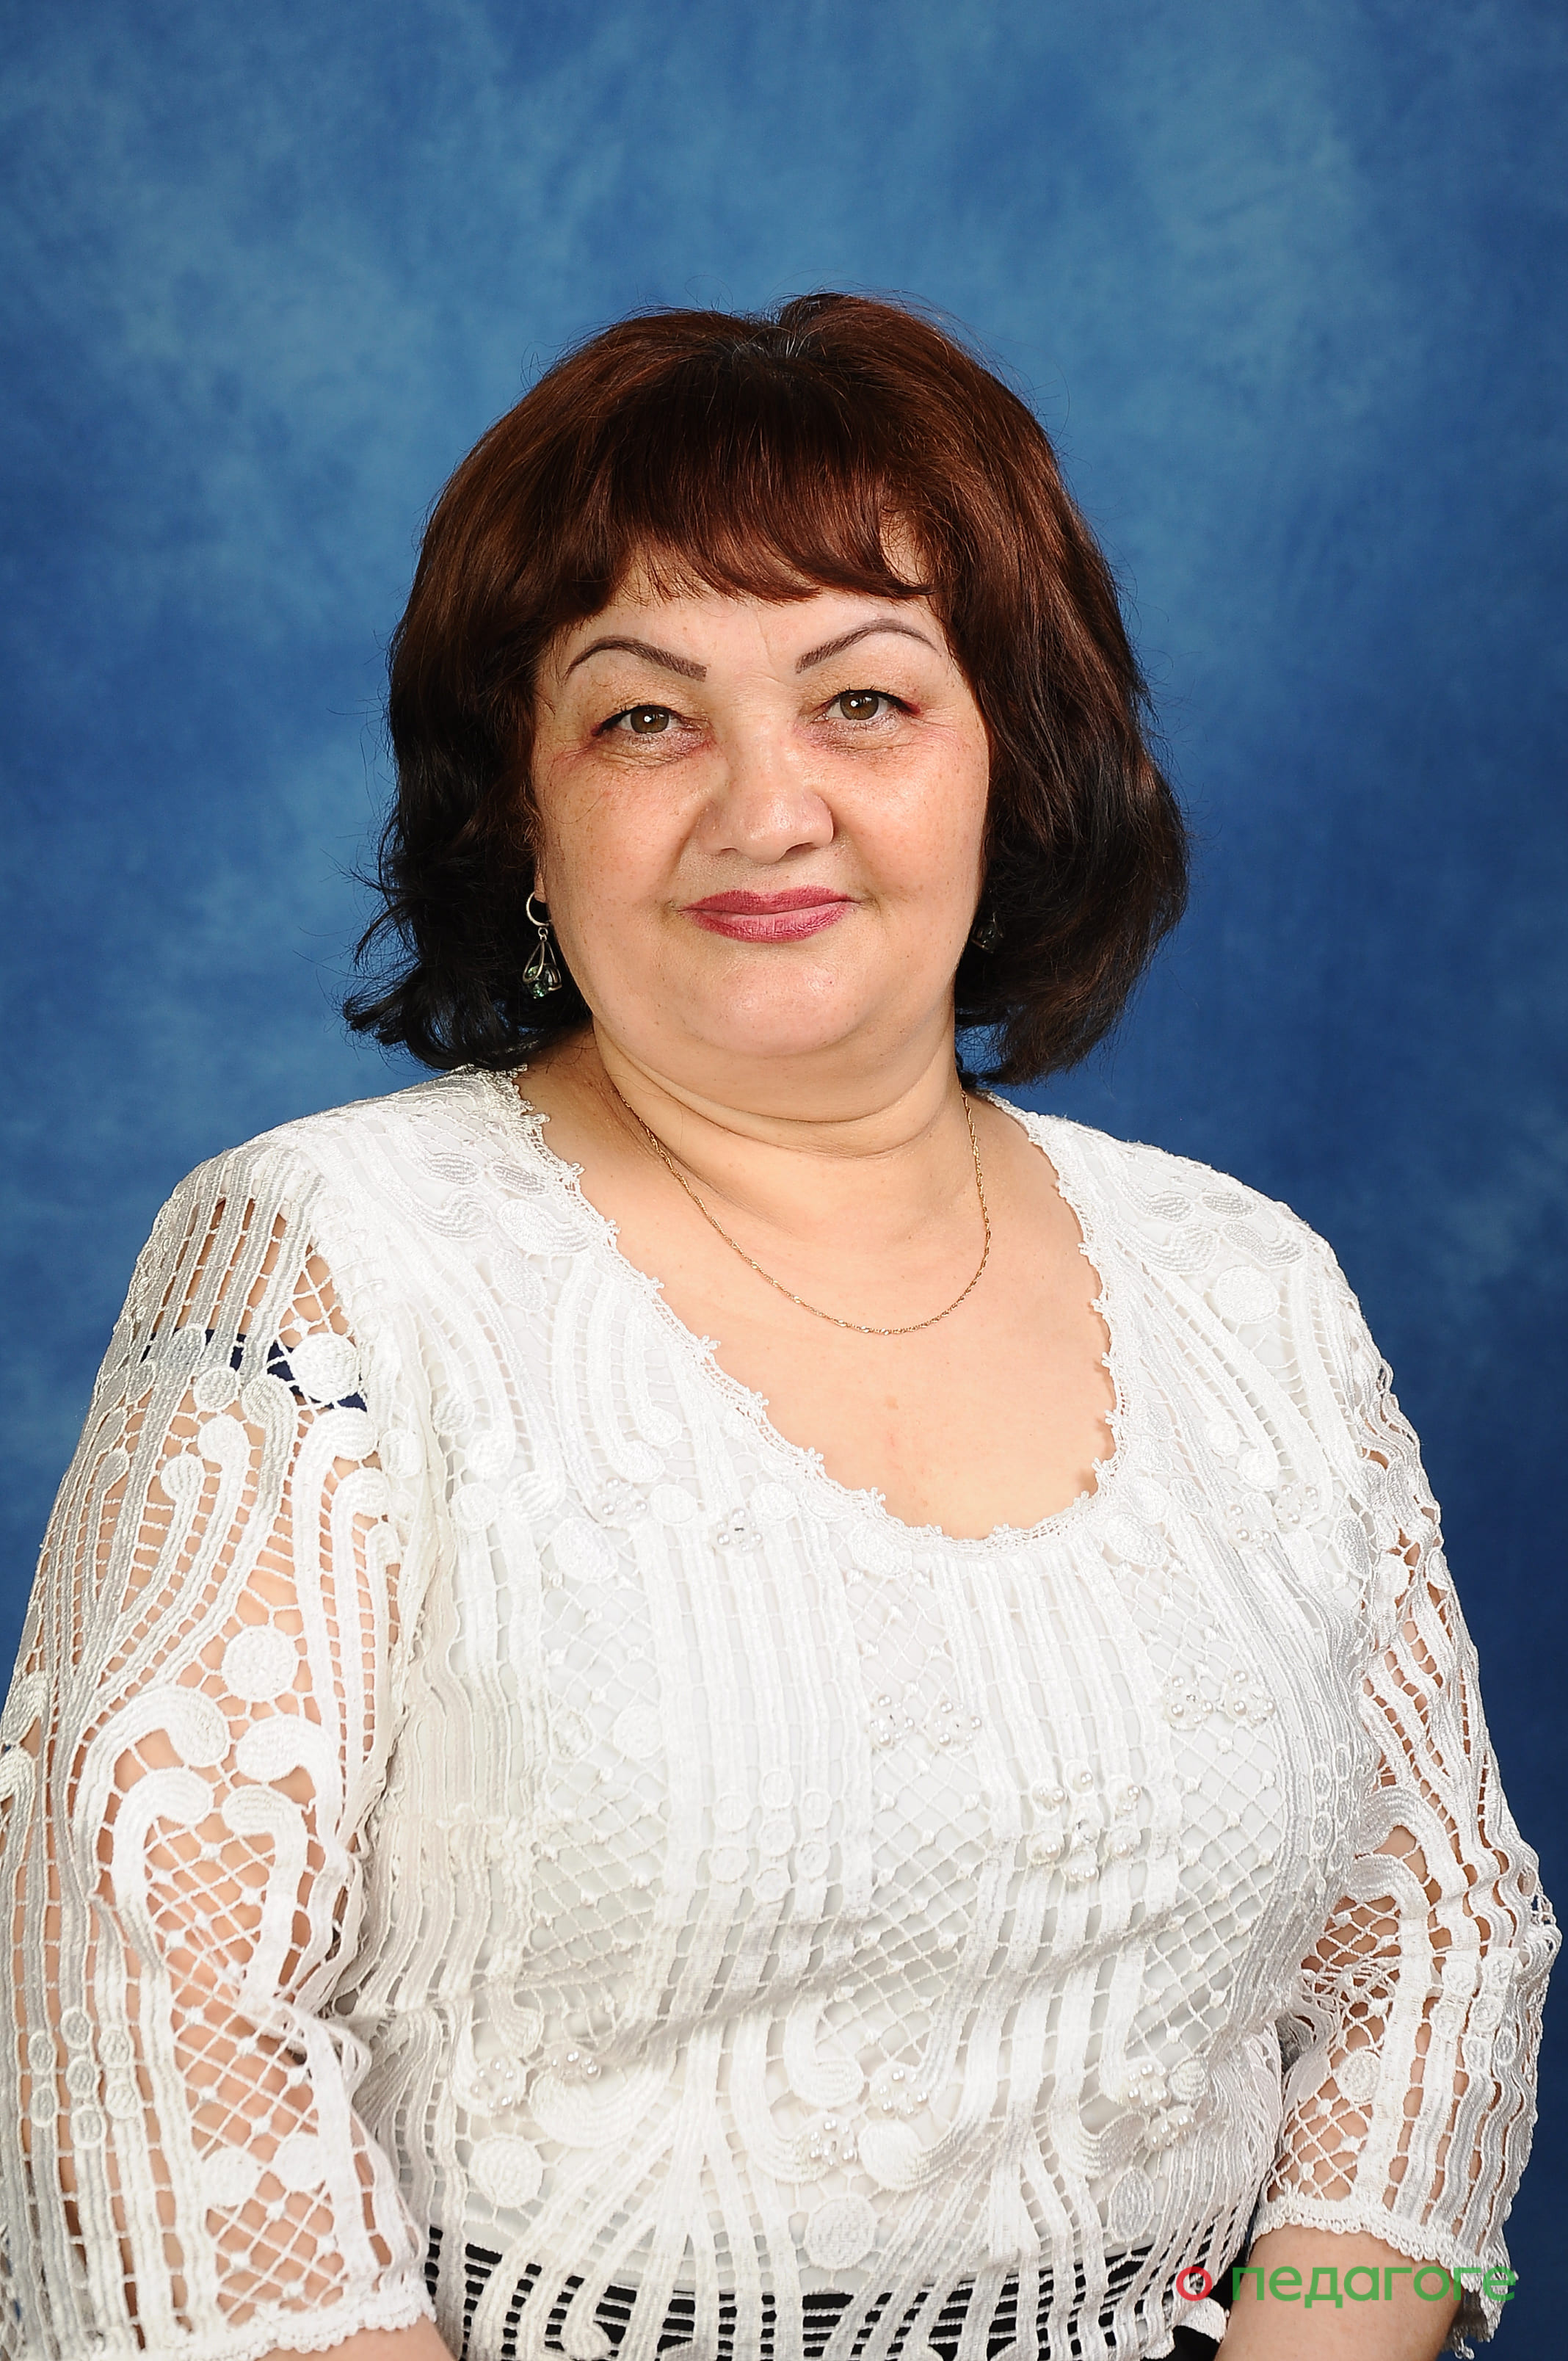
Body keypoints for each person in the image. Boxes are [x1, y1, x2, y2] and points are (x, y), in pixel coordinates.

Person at [0, 295, 1553, 2361]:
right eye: (645, 719)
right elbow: (140, 2033)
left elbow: (1435, 1954)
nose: (764, 808)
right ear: (515, 810)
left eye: (865, 702)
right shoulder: (324, 1262)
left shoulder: (1249, 1285)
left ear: (1013, 764)